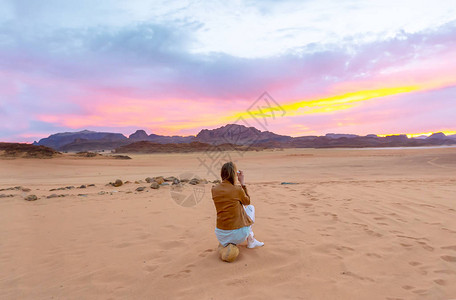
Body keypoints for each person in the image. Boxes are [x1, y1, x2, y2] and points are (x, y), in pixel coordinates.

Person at [211, 162, 264, 249]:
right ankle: (251, 241)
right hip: (237, 236)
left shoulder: (214, 189)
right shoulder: (237, 190)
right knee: (250, 208)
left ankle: (251, 239)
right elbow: (247, 201)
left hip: (221, 235)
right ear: (234, 174)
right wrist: (242, 183)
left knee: (240, 206)